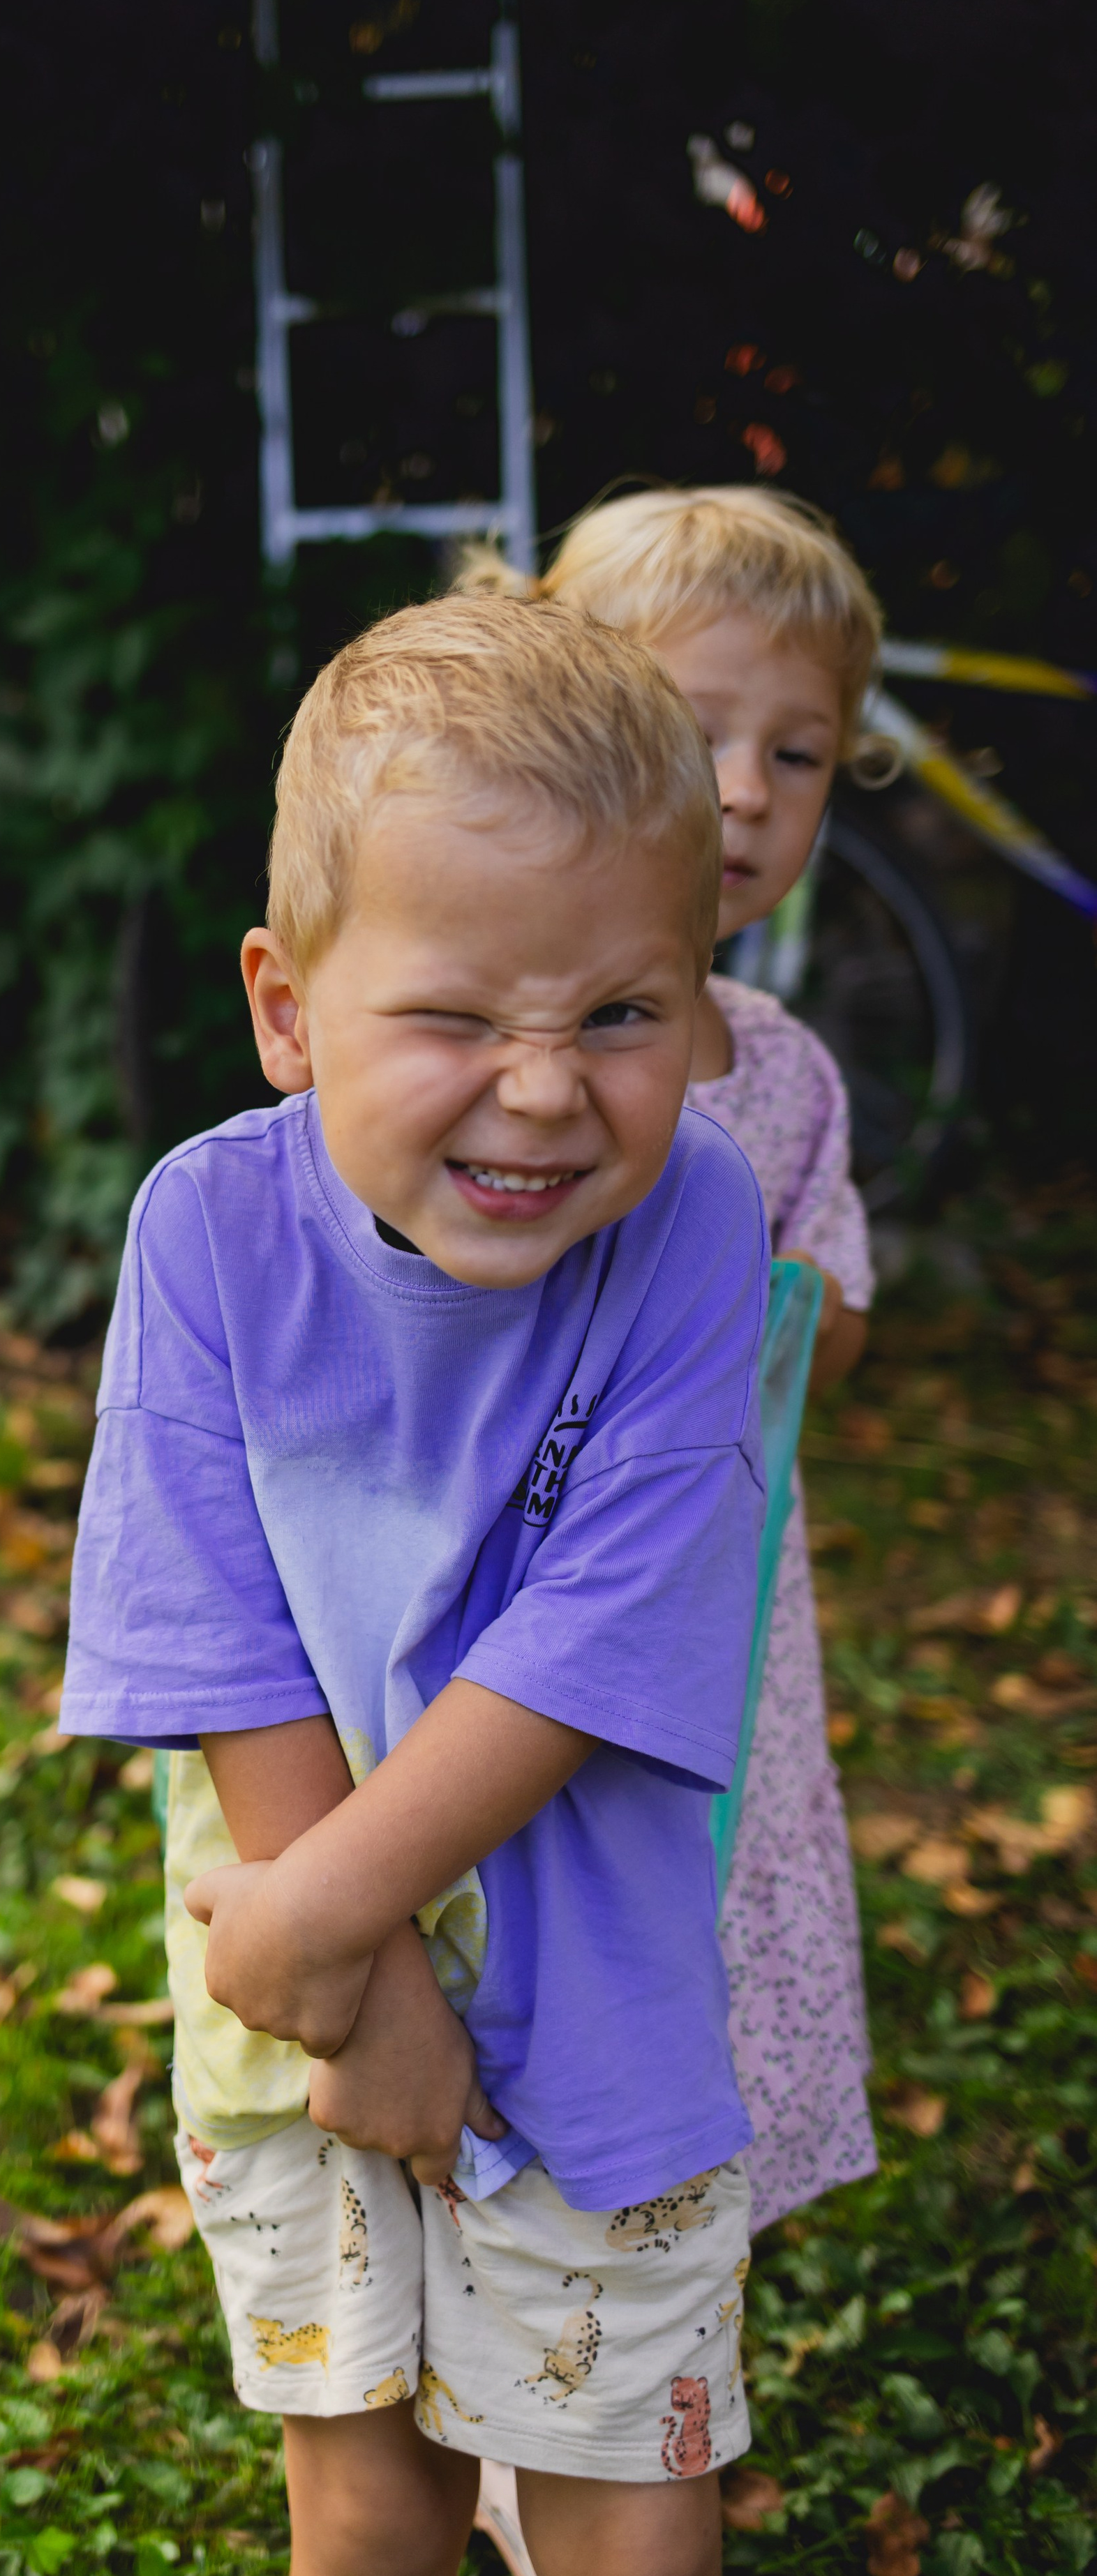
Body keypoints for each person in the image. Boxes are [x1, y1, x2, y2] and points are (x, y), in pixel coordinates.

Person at [61, 590, 774, 2576]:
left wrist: (322, 1928)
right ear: (290, 1012)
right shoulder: (206, 1233)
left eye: (624, 1016)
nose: (545, 1092)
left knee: (632, 2556)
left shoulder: (696, 1224)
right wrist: (349, 1987)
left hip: (596, 2013)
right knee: (370, 2530)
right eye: (458, 1019)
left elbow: (600, 1633)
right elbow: (213, 1636)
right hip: (295, 2012)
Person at [460, 485, 880, 2236]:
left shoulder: (778, 1074)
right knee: (496, 1942)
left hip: (706, 1630)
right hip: (506, 1605)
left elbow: (824, 1331)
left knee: (689, 1949)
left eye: (796, 754)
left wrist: (783, 1298)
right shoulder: (493, 1029)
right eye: (691, 730)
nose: (742, 792)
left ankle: (653, 2325)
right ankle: (493, 2362)